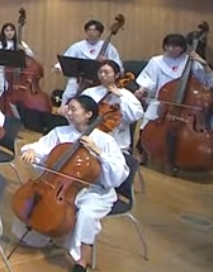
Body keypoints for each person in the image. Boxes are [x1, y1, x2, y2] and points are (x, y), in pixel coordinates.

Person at [15, 96, 129, 272]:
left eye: (73, 109)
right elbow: (40, 147)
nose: (68, 112)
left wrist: (99, 153)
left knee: (86, 214)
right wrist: (31, 150)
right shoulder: (60, 132)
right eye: (68, 108)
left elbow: (119, 173)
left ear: (88, 114)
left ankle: (82, 261)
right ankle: (53, 234)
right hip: (61, 188)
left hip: (94, 191)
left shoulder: (105, 141)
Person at [80, 61, 143, 153]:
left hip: (118, 144)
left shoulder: (126, 94)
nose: (102, 75)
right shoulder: (89, 92)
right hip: (91, 142)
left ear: (116, 75)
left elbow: (135, 115)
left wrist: (120, 97)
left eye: (106, 72)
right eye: (100, 72)